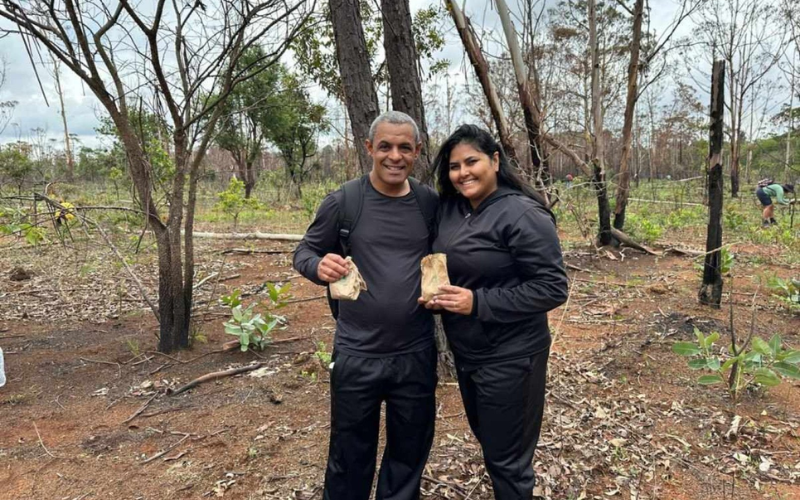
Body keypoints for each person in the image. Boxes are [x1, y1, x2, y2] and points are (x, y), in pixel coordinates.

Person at [293, 111, 438, 500]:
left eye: (404, 148)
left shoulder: (428, 203)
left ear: (417, 152)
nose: (395, 156)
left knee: (409, 453)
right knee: (349, 454)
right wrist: (317, 264)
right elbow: (305, 251)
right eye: (386, 146)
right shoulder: (345, 201)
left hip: (416, 353)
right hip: (357, 353)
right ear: (370, 148)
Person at [420, 124, 568, 499]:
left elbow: (552, 287)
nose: (463, 172)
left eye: (472, 161)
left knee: (508, 461)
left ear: (495, 161)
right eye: (455, 166)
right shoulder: (452, 209)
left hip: (513, 357)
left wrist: (477, 302)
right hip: (470, 352)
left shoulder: (522, 214)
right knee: (492, 445)